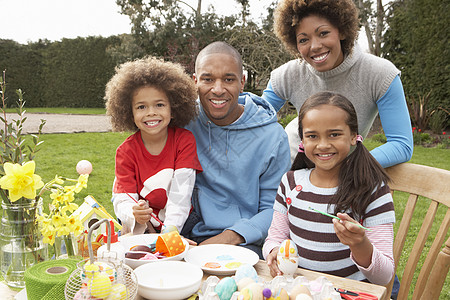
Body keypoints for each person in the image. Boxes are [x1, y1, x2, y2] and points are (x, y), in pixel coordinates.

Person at [263, 92, 395, 287]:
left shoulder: (372, 190)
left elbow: (384, 276)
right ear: (302, 141)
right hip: (298, 290)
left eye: (334, 134)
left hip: (347, 293)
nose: (323, 145)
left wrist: (360, 245)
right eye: (312, 136)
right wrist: (274, 251)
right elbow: (275, 237)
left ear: (353, 136)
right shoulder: (290, 184)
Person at [262, 0, 413, 168]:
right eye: (303, 40)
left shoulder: (380, 74)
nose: (315, 46)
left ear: (341, 31)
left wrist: (350, 167)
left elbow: (401, 144)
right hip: (290, 167)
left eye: (323, 33)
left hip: (341, 171)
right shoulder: (288, 75)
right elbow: (253, 122)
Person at [183, 41, 291, 258]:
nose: (218, 89)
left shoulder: (273, 138)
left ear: (242, 82)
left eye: (228, 79)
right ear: (195, 82)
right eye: (208, 79)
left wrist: (229, 237)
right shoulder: (184, 120)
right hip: (186, 231)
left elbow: (276, 209)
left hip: (244, 241)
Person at [105, 56, 202, 235]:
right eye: (141, 107)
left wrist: (169, 235)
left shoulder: (184, 141)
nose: (151, 113)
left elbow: (181, 195)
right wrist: (133, 212)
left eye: (159, 105)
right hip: (143, 227)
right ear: (129, 112)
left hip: (180, 225)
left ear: (173, 109)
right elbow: (122, 198)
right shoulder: (125, 152)